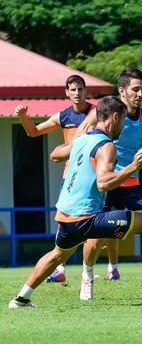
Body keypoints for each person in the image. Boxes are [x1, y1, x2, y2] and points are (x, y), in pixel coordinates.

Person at [8, 96, 142, 309]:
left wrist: (75, 148)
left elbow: (54, 154)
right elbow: (103, 183)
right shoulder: (107, 146)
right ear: (114, 117)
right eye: (123, 120)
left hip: (65, 216)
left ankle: (21, 298)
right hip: (86, 218)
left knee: (57, 254)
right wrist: (132, 168)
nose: (124, 125)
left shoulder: (83, 140)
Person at [52, 68, 142, 300]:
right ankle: (87, 276)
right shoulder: (104, 112)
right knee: (95, 240)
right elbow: (82, 136)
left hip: (132, 186)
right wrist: (72, 162)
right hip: (106, 184)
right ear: (122, 90)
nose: (140, 94)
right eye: (135, 89)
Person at [13, 75, 108, 283]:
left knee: (94, 220)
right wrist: (23, 117)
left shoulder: (97, 113)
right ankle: (60, 268)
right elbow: (34, 132)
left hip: (94, 175)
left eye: (80, 89)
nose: (77, 93)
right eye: (73, 89)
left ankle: (90, 269)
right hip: (71, 177)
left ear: (86, 91)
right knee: (64, 221)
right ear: (67, 92)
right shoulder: (63, 116)